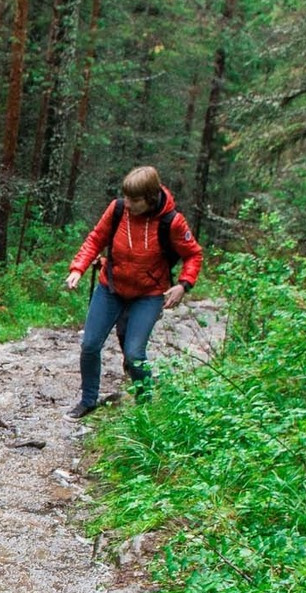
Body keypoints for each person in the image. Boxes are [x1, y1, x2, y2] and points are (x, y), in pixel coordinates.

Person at [64, 164, 203, 417]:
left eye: (134, 200)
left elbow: (193, 254)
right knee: (90, 344)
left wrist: (183, 285)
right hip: (112, 286)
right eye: (126, 197)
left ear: (150, 199)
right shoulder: (117, 210)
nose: (127, 203)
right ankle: (88, 400)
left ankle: (145, 406)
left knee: (135, 354)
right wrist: (78, 269)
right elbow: (96, 239)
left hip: (148, 295)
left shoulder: (172, 222)